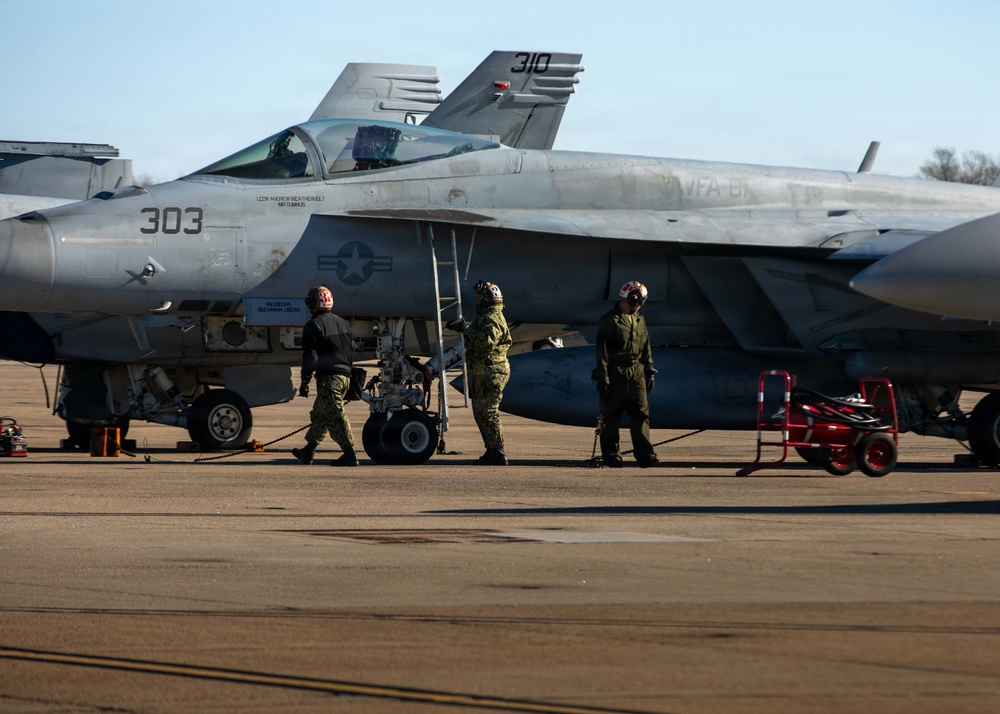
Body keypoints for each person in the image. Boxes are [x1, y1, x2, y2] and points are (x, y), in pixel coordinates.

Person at [447, 281, 513, 465]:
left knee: (488, 412)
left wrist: (465, 329)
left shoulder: (492, 318)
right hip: (484, 372)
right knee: (481, 412)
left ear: (485, 300)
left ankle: (498, 452)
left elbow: (486, 341)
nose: (476, 301)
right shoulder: (489, 317)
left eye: (478, 298)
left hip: (491, 372)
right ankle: (492, 450)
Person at [594, 280, 659, 468]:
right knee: (611, 417)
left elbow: (645, 347)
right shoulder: (609, 320)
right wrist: (603, 378)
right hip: (616, 374)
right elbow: (602, 352)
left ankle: (646, 456)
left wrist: (650, 371)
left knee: (641, 416)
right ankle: (612, 455)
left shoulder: (640, 320)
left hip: (636, 373)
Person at [292, 285, 359, 466]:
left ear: (314, 303)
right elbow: (352, 348)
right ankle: (308, 451)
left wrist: (305, 380)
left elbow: (310, 356)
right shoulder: (343, 323)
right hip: (345, 377)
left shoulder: (313, 325)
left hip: (329, 379)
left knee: (335, 415)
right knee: (321, 414)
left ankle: (349, 453)